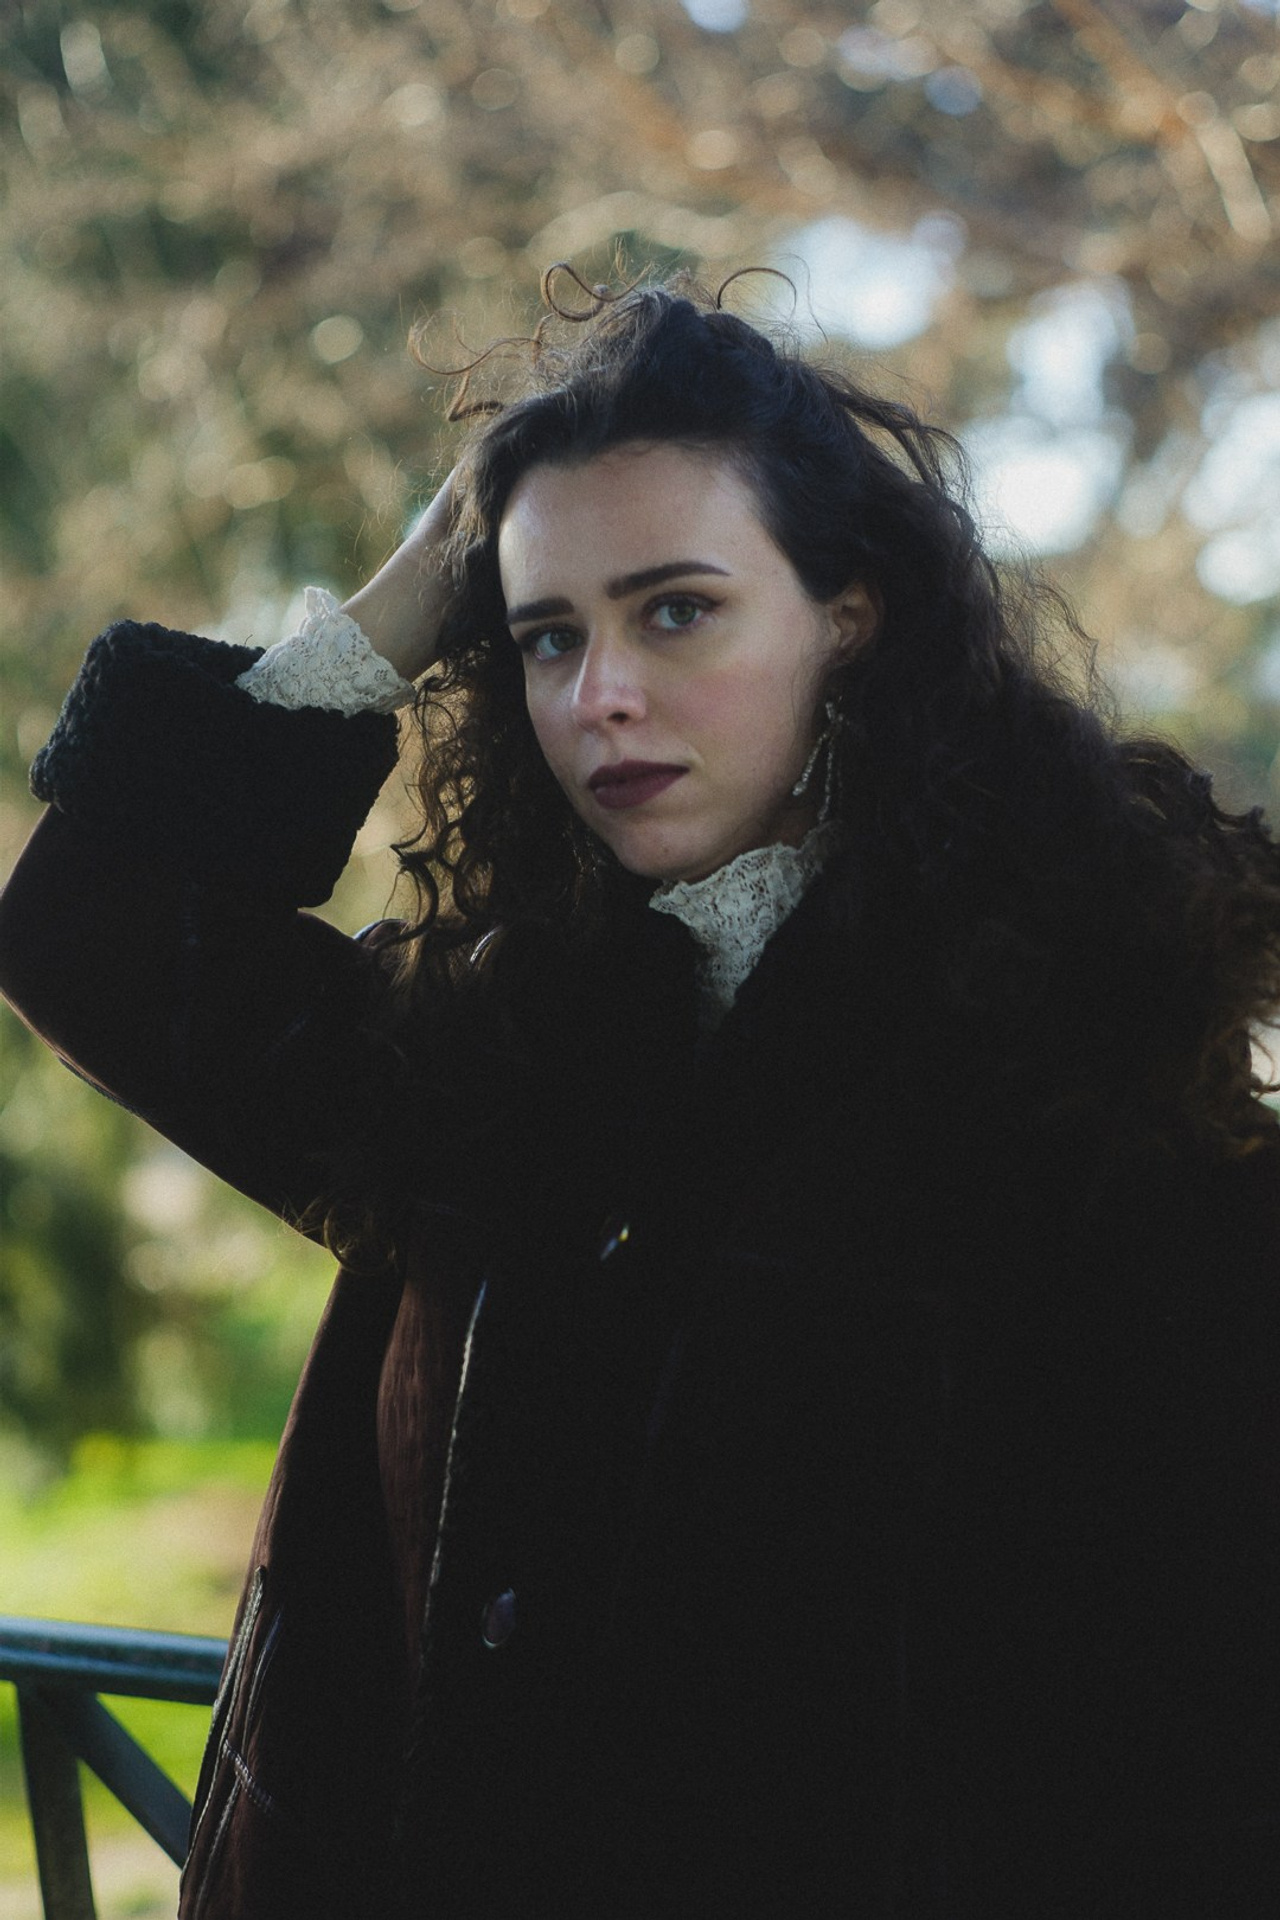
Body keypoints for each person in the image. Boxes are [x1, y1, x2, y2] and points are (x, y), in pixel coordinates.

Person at [1, 270, 1278, 1918]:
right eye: (547, 633)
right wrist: (418, 589)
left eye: (677, 609)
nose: (597, 695)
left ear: (851, 615)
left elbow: (1197, 1752)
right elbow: (90, 930)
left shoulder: (1098, 1089)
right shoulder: (498, 1045)